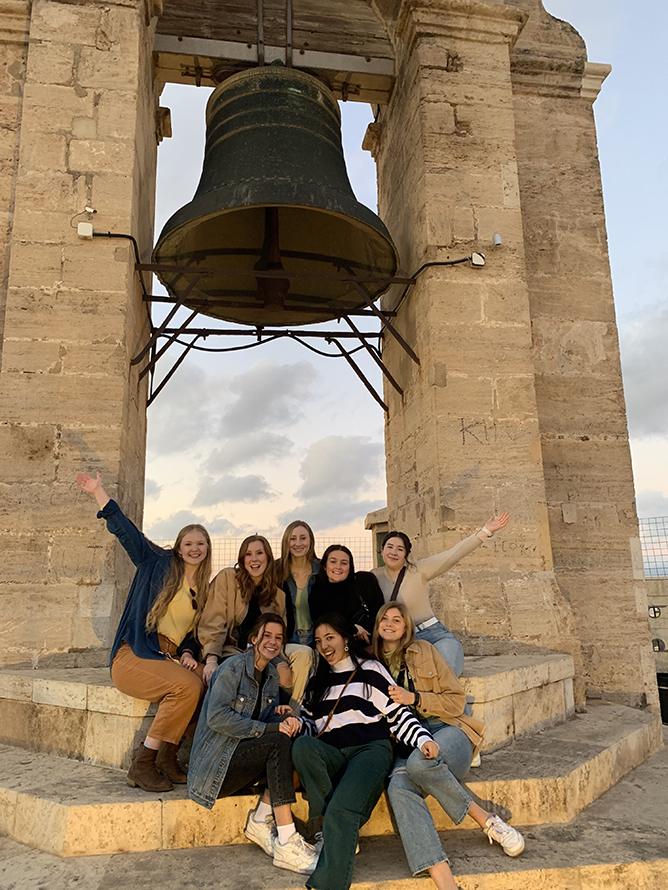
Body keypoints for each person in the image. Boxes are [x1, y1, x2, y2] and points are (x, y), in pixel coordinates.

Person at [373, 602, 524, 890]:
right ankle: (446, 883)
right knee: (398, 788)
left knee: (419, 763)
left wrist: (415, 698)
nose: (390, 623)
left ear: (406, 628)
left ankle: (487, 821)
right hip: (407, 742)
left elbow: (456, 702)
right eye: (385, 619)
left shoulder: (425, 652)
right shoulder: (370, 664)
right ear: (377, 625)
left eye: (397, 620)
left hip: (448, 731)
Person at [76, 472, 211, 792]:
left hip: (171, 657)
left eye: (201, 543)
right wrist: (99, 493)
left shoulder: (203, 588)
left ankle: (168, 756)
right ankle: (143, 763)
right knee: (188, 688)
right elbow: (128, 533)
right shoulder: (157, 563)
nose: (195, 549)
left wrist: (190, 652)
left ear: (208, 547)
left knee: (210, 681)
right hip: (135, 654)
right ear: (179, 547)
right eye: (189, 543)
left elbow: (192, 634)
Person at [291, 613, 439, 890]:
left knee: (342, 810)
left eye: (331, 638)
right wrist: (295, 723)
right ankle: (326, 828)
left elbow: (398, 714)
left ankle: (328, 883)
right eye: (319, 641)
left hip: (369, 750)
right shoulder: (317, 680)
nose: (324, 646)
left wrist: (423, 740)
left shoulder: (370, 670)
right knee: (302, 746)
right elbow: (312, 725)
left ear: (346, 639)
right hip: (333, 753)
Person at [188, 613, 318, 875]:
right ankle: (286, 839)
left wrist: (281, 714)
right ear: (254, 638)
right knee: (278, 742)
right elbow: (218, 717)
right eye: (267, 635)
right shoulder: (232, 668)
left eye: (278, 638)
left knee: (288, 740)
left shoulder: (270, 674)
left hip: (237, 760)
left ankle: (261, 820)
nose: (273, 642)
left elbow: (258, 719)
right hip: (213, 771)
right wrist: (271, 727)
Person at [371, 513, 509, 677]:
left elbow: (452, 555)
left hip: (433, 634)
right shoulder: (373, 576)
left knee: (445, 679)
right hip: (398, 640)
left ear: (407, 554)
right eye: (390, 547)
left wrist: (485, 531)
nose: (394, 552)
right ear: (381, 550)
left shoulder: (419, 570)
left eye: (400, 549)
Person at [198, 535, 312, 711]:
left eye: (259, 553)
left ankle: (291, 716)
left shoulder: (276, 593)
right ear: (242, 559)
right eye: (249, 554)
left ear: (268, 557)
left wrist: (277, 657)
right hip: (234, 649)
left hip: (267, 648)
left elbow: (281, 632)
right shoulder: (228, 578)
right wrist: (211, 659)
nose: (254, 559)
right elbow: (214, 621)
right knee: (249, 669)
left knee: (294, 664)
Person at [309, 544, 384, 644]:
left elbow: (379, 613)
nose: (338, 567)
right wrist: (353, 629)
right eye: (333, 562)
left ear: (350, 567)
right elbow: (322, 623)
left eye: (344, 563)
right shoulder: (317, 591)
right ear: (325, 566)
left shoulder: (364, 581)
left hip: (368, 644)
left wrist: (363, 632)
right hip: (335, 649)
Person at [276, 520, 320, 645]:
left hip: (317, 639)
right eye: (293, 539)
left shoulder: (322, 570)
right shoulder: (276, 571)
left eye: (303, 538)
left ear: (310, 540)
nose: (298, 543)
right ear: (286, 542)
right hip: (287, 639)